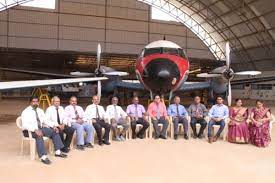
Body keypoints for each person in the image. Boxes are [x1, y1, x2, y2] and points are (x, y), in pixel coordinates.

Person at [21, 96, 67, 165]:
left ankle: (58, 152)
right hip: (29, 131)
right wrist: (35, 130)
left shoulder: (40, 110)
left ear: (38, 102)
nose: (35, 103)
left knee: (55, 131)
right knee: (39, 135)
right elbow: (24, 125)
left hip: (40, 128)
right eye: (33, 102)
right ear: (30, 102)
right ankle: (43, 157)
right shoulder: (26, 112)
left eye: (36, 102)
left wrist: (53, 126)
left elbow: (45, 120)